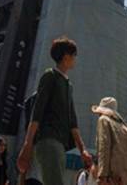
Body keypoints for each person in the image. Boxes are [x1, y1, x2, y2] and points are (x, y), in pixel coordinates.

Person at [17, 37, 92, 185]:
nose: (75, 59)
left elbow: (73, 122)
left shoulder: (68, 85)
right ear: (66, 57)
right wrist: (27, 145)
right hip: (47, 140)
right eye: (74, 55)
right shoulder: (49, 76)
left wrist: (83, 150)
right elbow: (37, 112)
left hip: (60, 144)